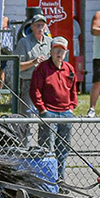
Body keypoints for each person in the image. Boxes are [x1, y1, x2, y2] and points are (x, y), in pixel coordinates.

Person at [29, 36, 77, 182]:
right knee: (47, 149)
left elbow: (73, 90)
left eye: (62, 51)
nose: (59, 53)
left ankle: (60, 179)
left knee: (63, 149)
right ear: (50, 51)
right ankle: (47, 180)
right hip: (49, 112)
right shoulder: (42, 68)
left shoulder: (69, 68)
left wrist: (71, 107)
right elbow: (35, 90)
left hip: (66, 113)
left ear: (66, 52)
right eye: (56, 50)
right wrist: (42, 109)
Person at [13, 13, 51, 116]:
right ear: (31, 27)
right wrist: (33, 62)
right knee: (27, 115)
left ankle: (45, 132)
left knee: (47, 115)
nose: (40, 28)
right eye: (37, 25)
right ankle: (26, 132)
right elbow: (17, 67)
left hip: (47, 84)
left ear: (46, 27)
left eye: (42, 25)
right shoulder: (24, 43)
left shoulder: (51, 42)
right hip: (29, 83)